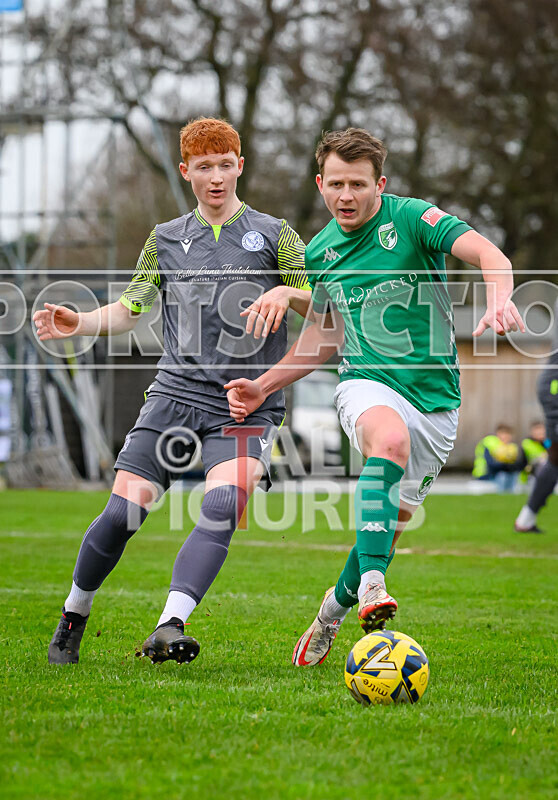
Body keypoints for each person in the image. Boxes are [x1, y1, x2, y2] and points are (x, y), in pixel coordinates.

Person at [225, 127, 525, 667]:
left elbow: (490, 255)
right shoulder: (318, 252)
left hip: (438, 405)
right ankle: (370, 584)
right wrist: (262, 385)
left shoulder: (412, 219)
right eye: (336, 183)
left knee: (384, 533)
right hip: (366, 383)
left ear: (379, 184)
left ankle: (329, 614)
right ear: (320, 184)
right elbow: (326, 336)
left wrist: (499, 300)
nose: (346, 195)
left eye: (358, 184)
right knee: (387, 441)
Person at [33, 117, 311, 665]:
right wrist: (80, 322)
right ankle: (74, 615)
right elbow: (129, 308)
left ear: (240, 165)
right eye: (204, 167)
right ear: (185, 171)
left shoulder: (276, 234)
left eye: (225, 165)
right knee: (122, 516)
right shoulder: (163, 237)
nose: (216, 177)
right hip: (174, 395)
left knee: (224, 504)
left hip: (245, 402)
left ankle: (169, 624)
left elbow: (320, 303)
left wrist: (285, 292)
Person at [515, 309, 558, 532]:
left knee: (555, 459)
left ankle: (526, 519)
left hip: (552, 386)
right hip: (555, 387)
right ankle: (526, 519)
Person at [472, 424, 525, 492]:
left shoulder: (511, 447)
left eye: (507, 435)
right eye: (503, 434)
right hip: (486, 473)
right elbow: (491, 464)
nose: (505, 437)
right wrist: (506, 465)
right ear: (498, 434)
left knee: (513, 476)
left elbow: (517, 463)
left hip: (502, 472)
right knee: (502, 476)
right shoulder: (489, 443)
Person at [518, 421, 548, 487]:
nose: (541, 435)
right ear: (532, 433)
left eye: (542, 433)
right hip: (529, 475)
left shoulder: (547, 443)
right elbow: (537, 457)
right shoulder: (527, 443)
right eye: (538, 433)